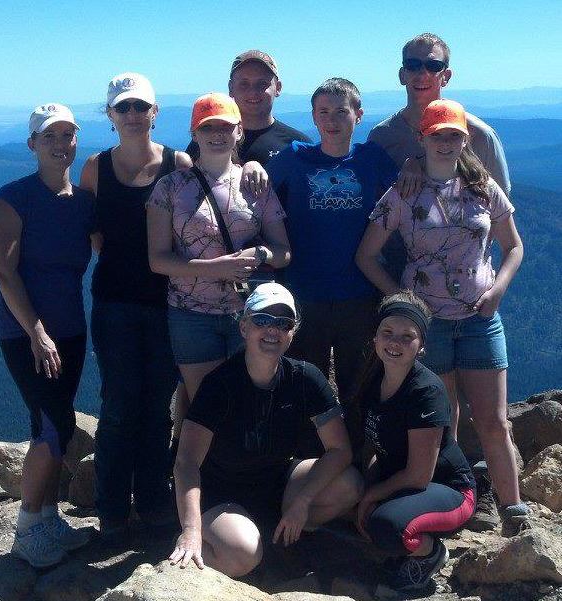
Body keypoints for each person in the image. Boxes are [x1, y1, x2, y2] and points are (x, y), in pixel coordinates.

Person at [355, 99, 529, 538]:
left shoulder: (483, 187)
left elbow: (514, 246)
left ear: (464, 140)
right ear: (423, 138)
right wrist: (401, 300)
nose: (446, 142)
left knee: (494, 419)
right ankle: (443, 503)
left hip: (479, 317)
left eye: (454, 135)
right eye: (438, 135)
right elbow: (367, 255)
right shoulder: (403, 191)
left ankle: (513, 509)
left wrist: (498, 289)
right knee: (442, 421)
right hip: (427, 327)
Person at [169, 283, 364, 577]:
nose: (272, 330)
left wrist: (303, 500)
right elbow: (186, 463)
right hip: (221, 495)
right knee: (243, 553)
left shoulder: (305, 379)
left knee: (350, 484)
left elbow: (339, 450)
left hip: (277, 484)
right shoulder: (219, 385)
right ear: (244, 327)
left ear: (292, 333)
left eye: (283, 323)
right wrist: (191, 529)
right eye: (262, 320)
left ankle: (285, 532)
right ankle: (197, 543)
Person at [80, 73, 192, 537]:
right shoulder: (94, 168)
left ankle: (150, 501)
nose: (131, 115)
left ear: (154, 112)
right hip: (115, 303)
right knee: (120, 402)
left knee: (156, 405)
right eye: (122, 108)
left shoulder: (177, 163)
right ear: (109, 115)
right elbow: (92, 232)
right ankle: (112, 509)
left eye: (139, 107)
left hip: (168, 302)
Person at [0, 103, 95, 567]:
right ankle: (27, 528)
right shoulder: (13, 199)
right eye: (48, 136)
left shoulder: (85, 204)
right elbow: (5, 274)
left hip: (70, 328)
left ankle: (49, 518)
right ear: (32, 144)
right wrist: (36, 331)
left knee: (58, 424)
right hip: (25, 331)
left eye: (67, 135)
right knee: (53, 425)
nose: (59, 144)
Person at [266, 78, 398, 455]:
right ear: (313, 117)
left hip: (358, 294)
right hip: (305, 294)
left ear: (358, 114)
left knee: (359, 385)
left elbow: (408, 189)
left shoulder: (371, 158)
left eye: (341, 111)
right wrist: (253, 171)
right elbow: (253, 195)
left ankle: (355, 469)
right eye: (323, 112)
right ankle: (308, 465)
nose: (332, 120)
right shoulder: (295, 156)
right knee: (307, 385)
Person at [147, 93, 291, 409]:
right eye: (207, 127)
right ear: (194, 134)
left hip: (250, 311)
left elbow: (283, 251)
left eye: (225, 127)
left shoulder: (256, 184)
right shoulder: (169, 187)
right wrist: (215, 268)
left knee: (251, 401)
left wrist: (260, 256)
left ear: (239, 131)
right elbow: (157, 260)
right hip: (191, 315)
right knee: (206, 406)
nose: (217, 135)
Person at [355, 292, 475, 592]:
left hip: (451, 490)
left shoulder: (426, 391)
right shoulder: (373, 380)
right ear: (375, 338)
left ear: (421, 345)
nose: (395, 343)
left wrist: (370, 496)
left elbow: (419, 476)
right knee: (355, 509)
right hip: (406, 484)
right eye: (387, 333)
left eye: (407, 336)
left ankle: (430, 554)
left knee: (386, 527)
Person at [368, 32, 510, 196]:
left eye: (433, 66)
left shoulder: (481, 135)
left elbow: (500, 206)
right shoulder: (381, 137)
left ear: (446, 77)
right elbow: (372, 205)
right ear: (402, 75)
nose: (422, 73)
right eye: (413, 64)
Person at [187, 50, 311, 166]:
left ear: (278, 88)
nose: (253, 92)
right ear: (231, 88)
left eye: (262, 83)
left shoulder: (297, 144)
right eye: (244, 84)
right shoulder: (207, 142)